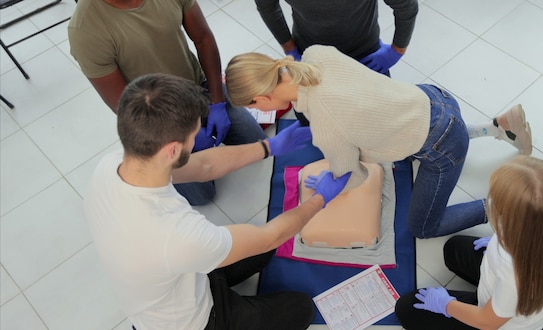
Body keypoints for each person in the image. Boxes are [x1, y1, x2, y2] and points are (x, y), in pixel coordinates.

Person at [83, 73, 351, 330]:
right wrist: (320, 199)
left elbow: (204, 166)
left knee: (262, 246)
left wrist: (268, 147)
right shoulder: (176, 235)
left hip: (181, 272)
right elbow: (269, 237)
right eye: (194, 137)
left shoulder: (115, 163)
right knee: (299, 307)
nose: (198, 142)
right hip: (193, 321)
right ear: (172, 150)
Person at [224, 45, 533, 238]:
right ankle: (495, 128)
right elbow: (357, 102)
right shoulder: (316, 54)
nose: (257, 111)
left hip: (441, 143)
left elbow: (354, 175)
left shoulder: (325, 123)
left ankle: (498, 207)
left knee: (424, 227)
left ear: (262, 98)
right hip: (432, 98)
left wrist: (332, 184)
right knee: (408, 135)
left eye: (253, 106)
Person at [68, 0, 266, 205]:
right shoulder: (86, 30)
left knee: (256, 142)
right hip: (157, 117)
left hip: (198, 89)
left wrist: (217, 102)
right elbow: (121, 104)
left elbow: (203, 38)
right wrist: (178, 133)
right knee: (203, 196)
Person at [394, 156, 543, 329]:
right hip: (526, 287)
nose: (489, 203)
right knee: (453, 249)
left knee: (406, 308)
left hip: (507, 322)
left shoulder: (516, 276)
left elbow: (487, 321)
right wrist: (496, 242)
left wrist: (445, 305)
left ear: (516, 231)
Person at [255, 0, 419, 76]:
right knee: (309, 118)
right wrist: (289, 48)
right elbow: (267, 7)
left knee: (377, 116)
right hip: (310, 51)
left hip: (364, 52)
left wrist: (397, 50)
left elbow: (406, 6)